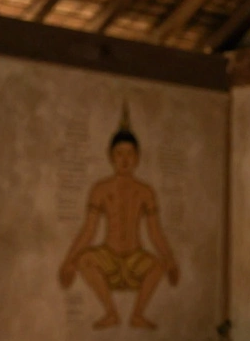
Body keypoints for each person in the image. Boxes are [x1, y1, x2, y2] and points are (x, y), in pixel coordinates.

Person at [60, 104, 179, 329]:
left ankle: (137, 314)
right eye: (119, 153)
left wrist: (171, 261)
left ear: (138, 157)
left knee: (158, 264)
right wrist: (68, 261)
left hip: (135, 258)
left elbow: (155, 232)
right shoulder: (100, 189)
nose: (124, 159)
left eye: (129, 153)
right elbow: (89, 230)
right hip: (109, 256)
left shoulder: (145, 191)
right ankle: (111, 312)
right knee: (84, 260)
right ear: (110, 156)